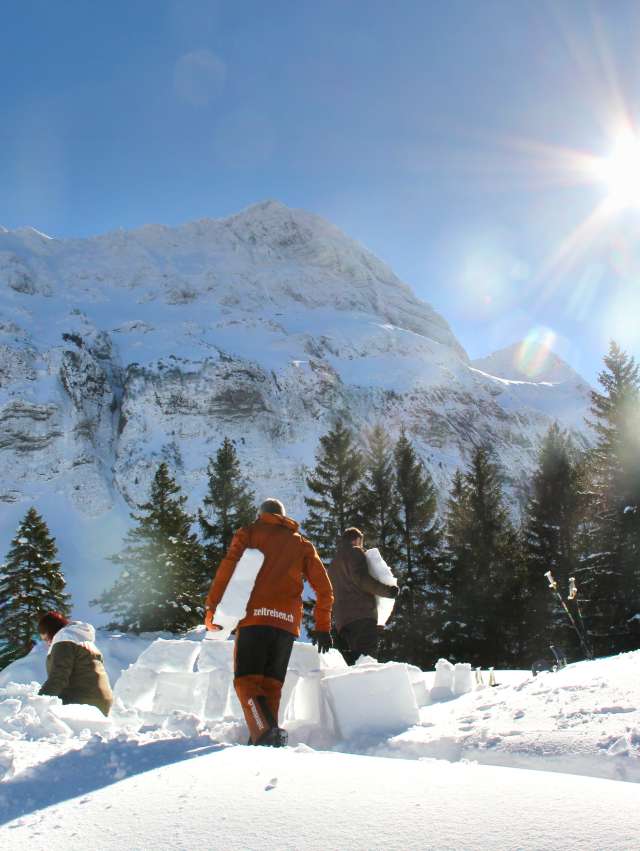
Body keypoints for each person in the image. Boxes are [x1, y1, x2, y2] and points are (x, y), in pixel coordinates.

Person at [204, 498, 334, 746]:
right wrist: (322, 626)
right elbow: (325, 589)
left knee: (246, 682)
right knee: (272, 686)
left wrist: (212, 607)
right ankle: (266, 739)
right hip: (286, 626)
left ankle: (263, 733)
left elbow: (228, 568)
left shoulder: (249, 534)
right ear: (283, 516)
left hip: (255, 619)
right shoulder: (302, 544)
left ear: (261, 514)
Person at [327, 527, 398, 665]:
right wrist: (388, 591)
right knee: (367, 662)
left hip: (342, 622)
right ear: (357, 540)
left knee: (353, 663)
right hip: (361, 615)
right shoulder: (355, 552)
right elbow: (361, 579)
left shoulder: (333, 564)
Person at [38, 612, 113, 716]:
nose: (48, 643)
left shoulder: (63, 639)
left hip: (82, 703)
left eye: (47, 638)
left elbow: (58, 679)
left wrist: (37, 703)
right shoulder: (85, 642)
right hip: (102, 704)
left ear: (52, 631)